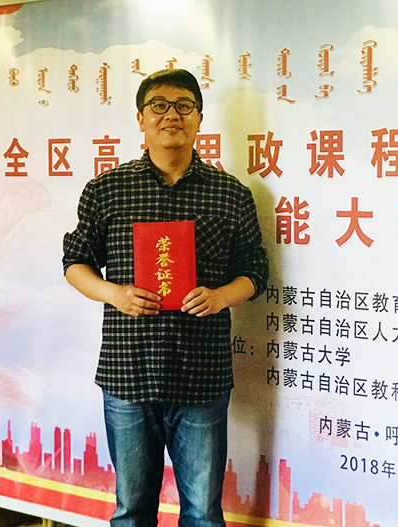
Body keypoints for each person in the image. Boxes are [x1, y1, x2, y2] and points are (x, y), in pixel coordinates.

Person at [62, 69, 268, 527]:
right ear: (141, 118)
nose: (171, 115)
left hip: (202, 374)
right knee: (132, 511)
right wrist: (115, 294)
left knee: (203, 514)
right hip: (128, 372)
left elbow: (256, 271)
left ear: (199, 119)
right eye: (159, 105)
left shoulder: (230, 194)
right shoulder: (106, 190)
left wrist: (220, 296)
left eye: (184, 106)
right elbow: (75, 263)